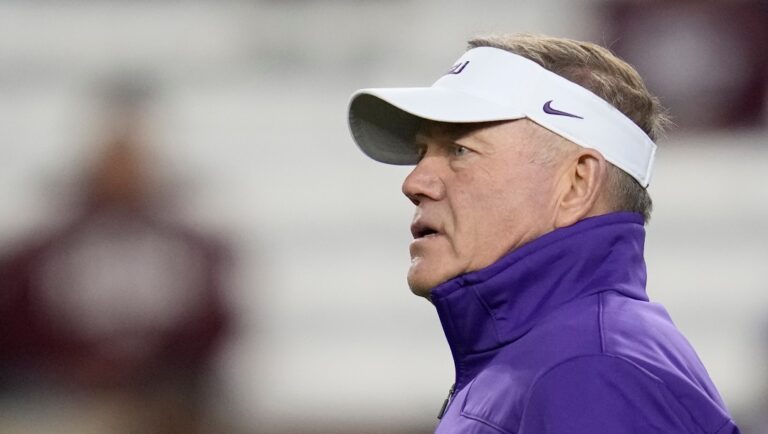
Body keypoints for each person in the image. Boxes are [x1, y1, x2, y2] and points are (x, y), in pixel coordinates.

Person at [347, 34, 740, 433]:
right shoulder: (550, 361)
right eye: (421, 153)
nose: (415, 182)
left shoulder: (591, 371)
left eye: (459, 150)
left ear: (576, 183)